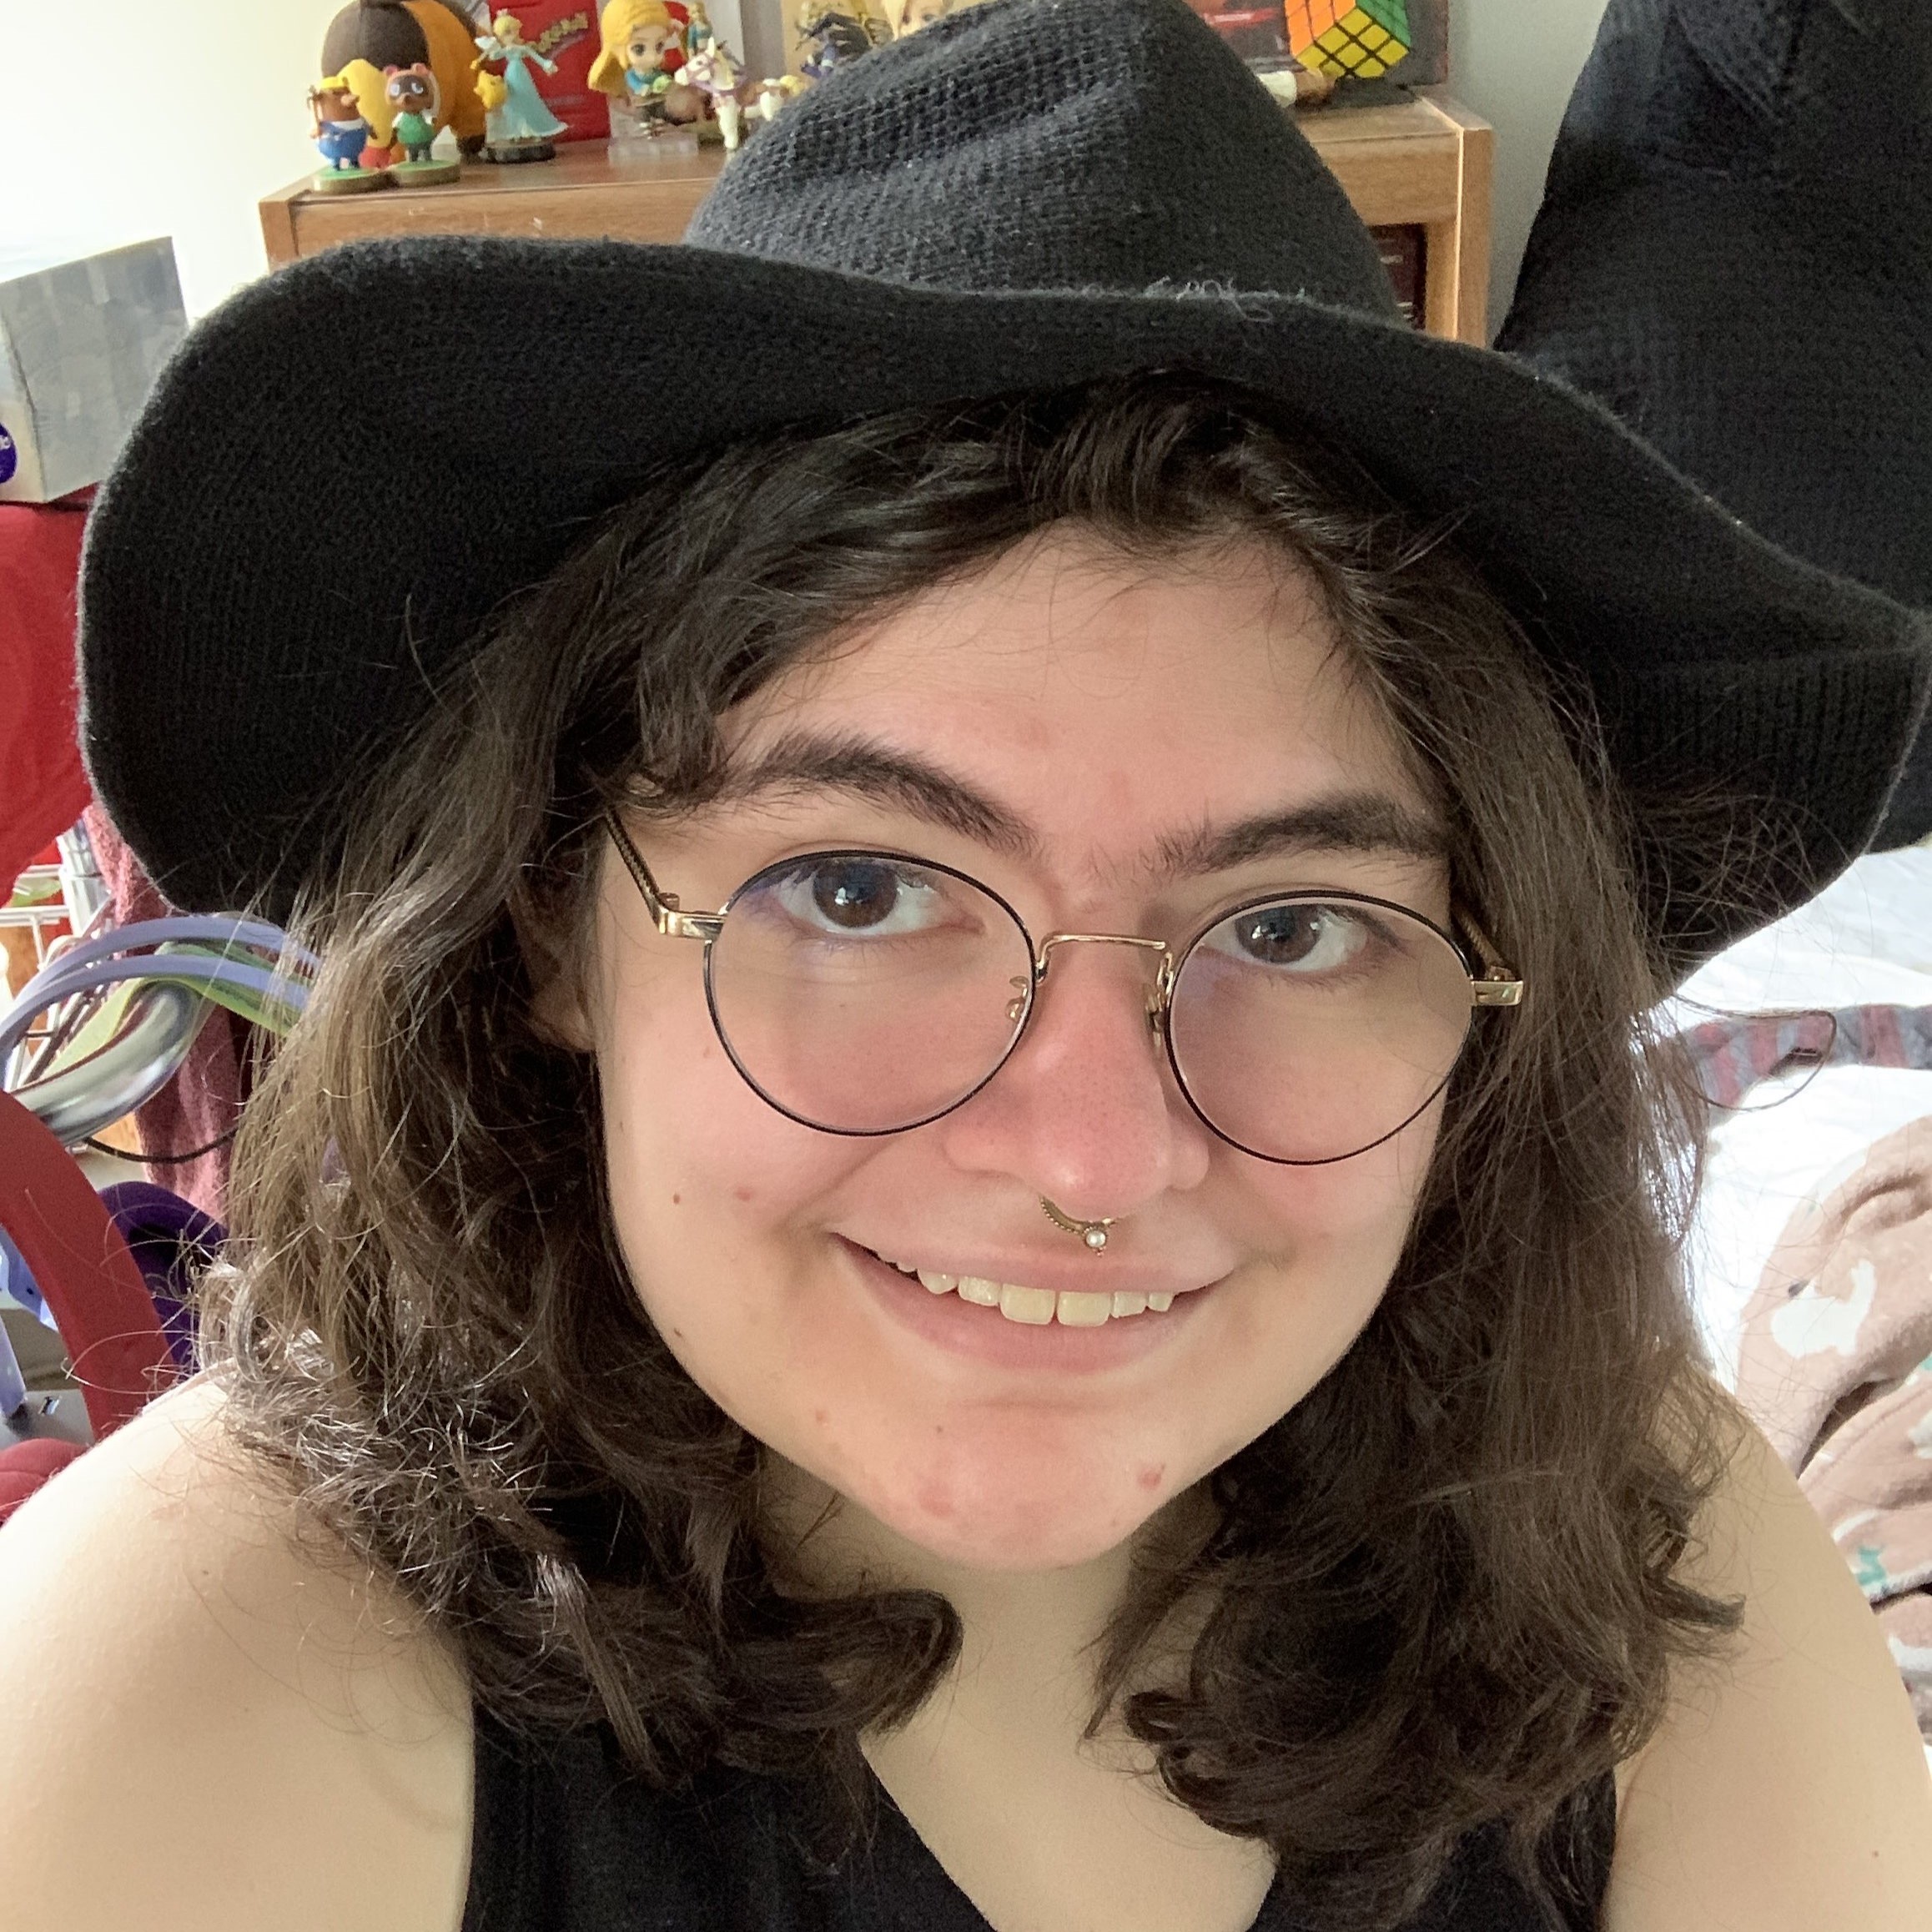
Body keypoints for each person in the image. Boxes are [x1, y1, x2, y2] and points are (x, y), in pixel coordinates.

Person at [7, 2, 1932, 1929]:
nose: (1093, 1162)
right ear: (547, 928)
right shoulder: (184, 1698)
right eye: (859, 892)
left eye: (1289, 927)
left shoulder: (1623, 1547)